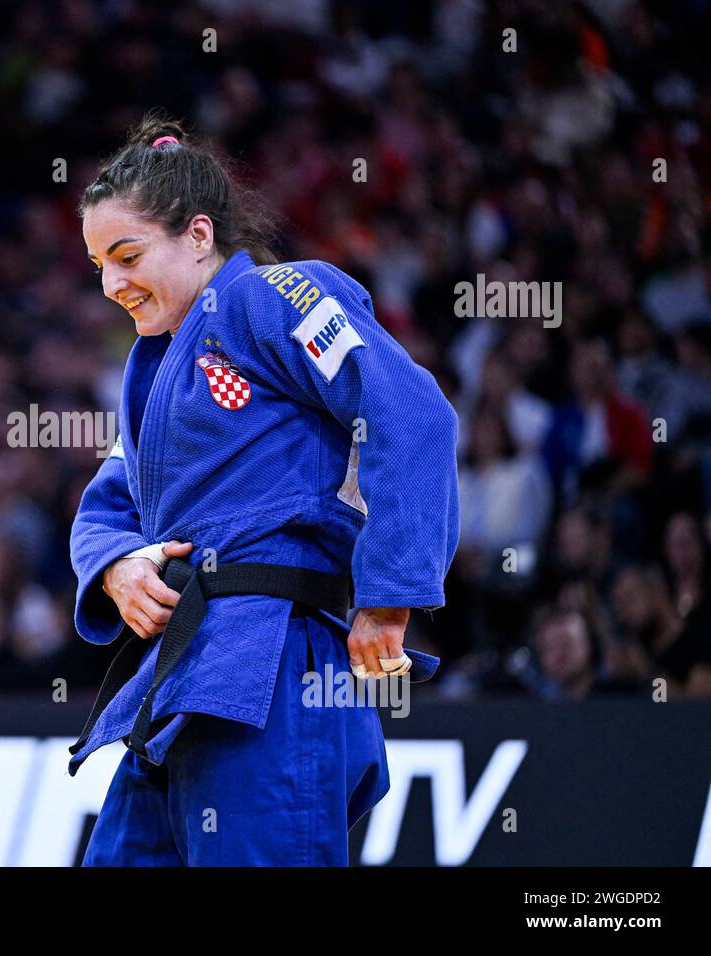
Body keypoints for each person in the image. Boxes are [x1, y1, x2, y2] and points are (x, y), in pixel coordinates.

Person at [68, 113, 459, 865]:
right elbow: (106, 503)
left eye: (127, 255)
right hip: (183, 681)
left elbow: (412, 419)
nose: (113, 284)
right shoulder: (151, 368)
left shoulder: (278, 296)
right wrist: (117, 566)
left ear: (200, 236)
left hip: (280, 665)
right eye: (98, 266)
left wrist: (387, 596)